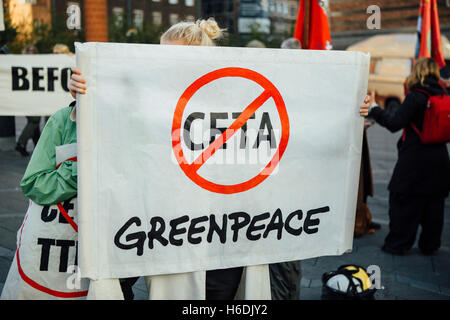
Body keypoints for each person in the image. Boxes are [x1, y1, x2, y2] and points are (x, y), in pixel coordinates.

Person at [69, 18, 372, 300]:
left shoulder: (236, 97)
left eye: (170, 57)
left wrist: (349, 106)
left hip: (225, 229)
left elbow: (303, 127)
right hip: (166, 228)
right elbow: (113, 120)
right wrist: (84, 93)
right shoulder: (147, 97)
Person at [367, 58, 450, 256]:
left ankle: (398, 243)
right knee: (434, 204)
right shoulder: (445, 95)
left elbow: (394, 123)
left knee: (403, 199)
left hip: (414, 160)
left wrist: (374, 108)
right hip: (440, 158)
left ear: (417, 72)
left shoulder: (416, 96)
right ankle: (430, 244)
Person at [16, 45, 42, 157]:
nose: (30, 53)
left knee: (34, 123)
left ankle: (39, 148)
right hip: (27, 97)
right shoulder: (21, 63)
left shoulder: (40, 63)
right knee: (34, 121)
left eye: (32, 51)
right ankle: (21, 143)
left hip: (34, 97)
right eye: (28, 51)